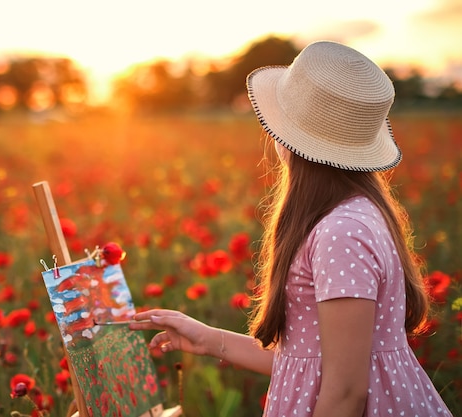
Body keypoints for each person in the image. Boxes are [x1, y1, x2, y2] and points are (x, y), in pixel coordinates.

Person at [130, 41, 453, 417]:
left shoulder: (341, 233)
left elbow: (346, 392)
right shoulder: (352, 215)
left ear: (289, 138)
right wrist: (208, 339)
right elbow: (310, 363)